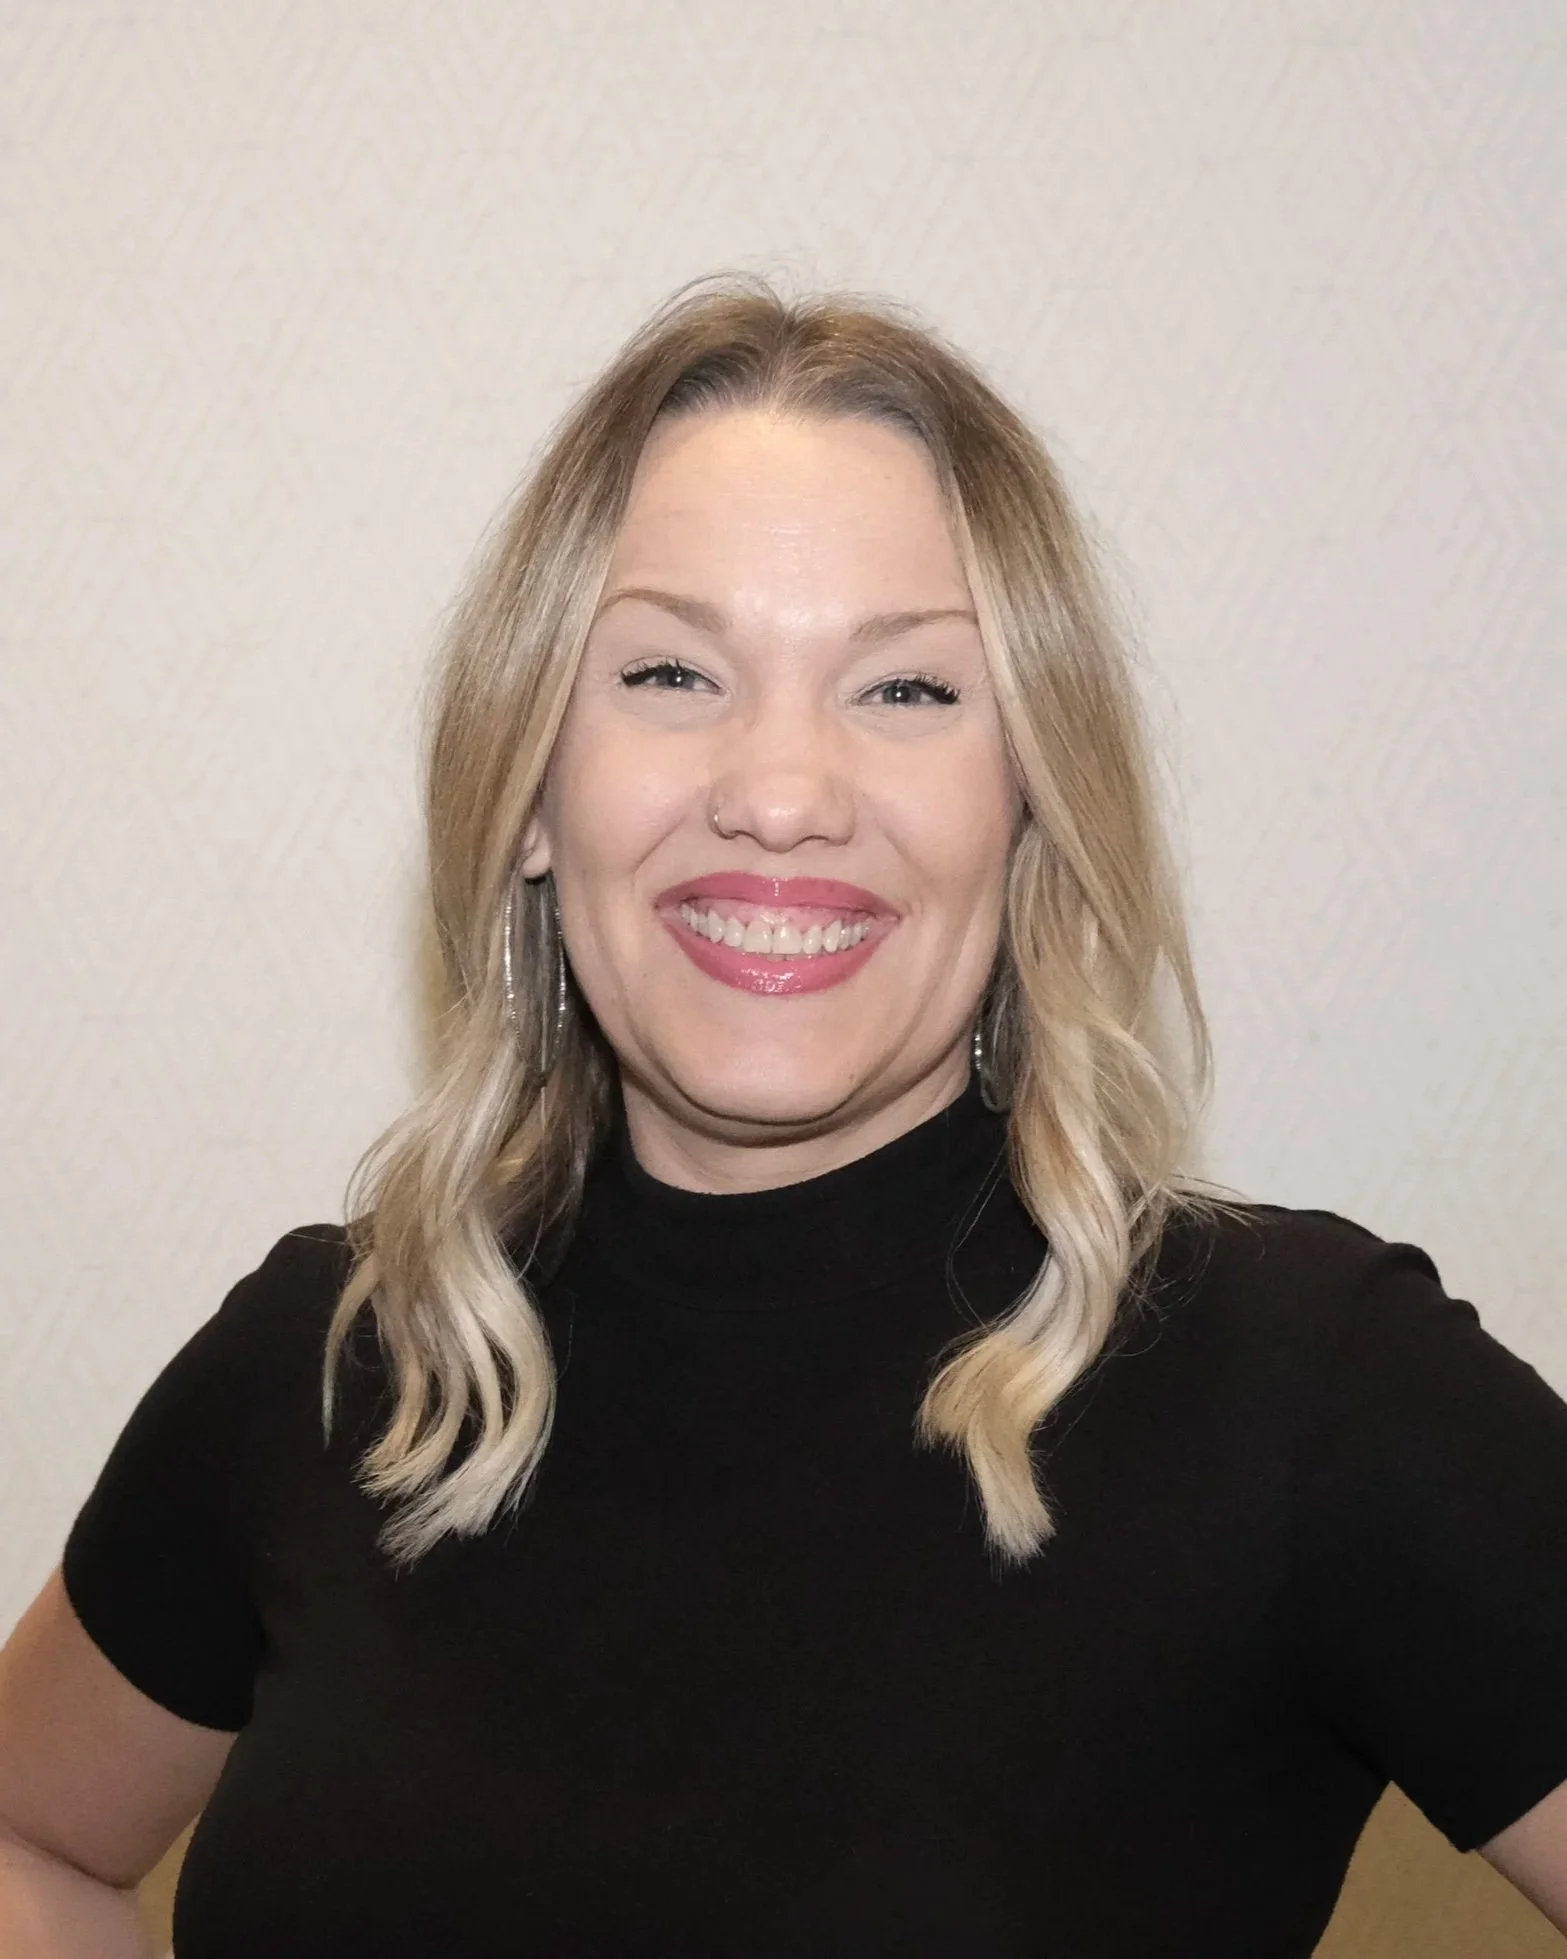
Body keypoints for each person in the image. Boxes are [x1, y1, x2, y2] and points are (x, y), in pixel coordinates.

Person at [1, 277, 1565, 1959]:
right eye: (670, 672)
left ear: (1026, 807)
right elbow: (32, 1840)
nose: (778, 790)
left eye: (905, 691)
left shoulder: (1308, 1395)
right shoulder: (328, 1362)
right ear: (532, 789)